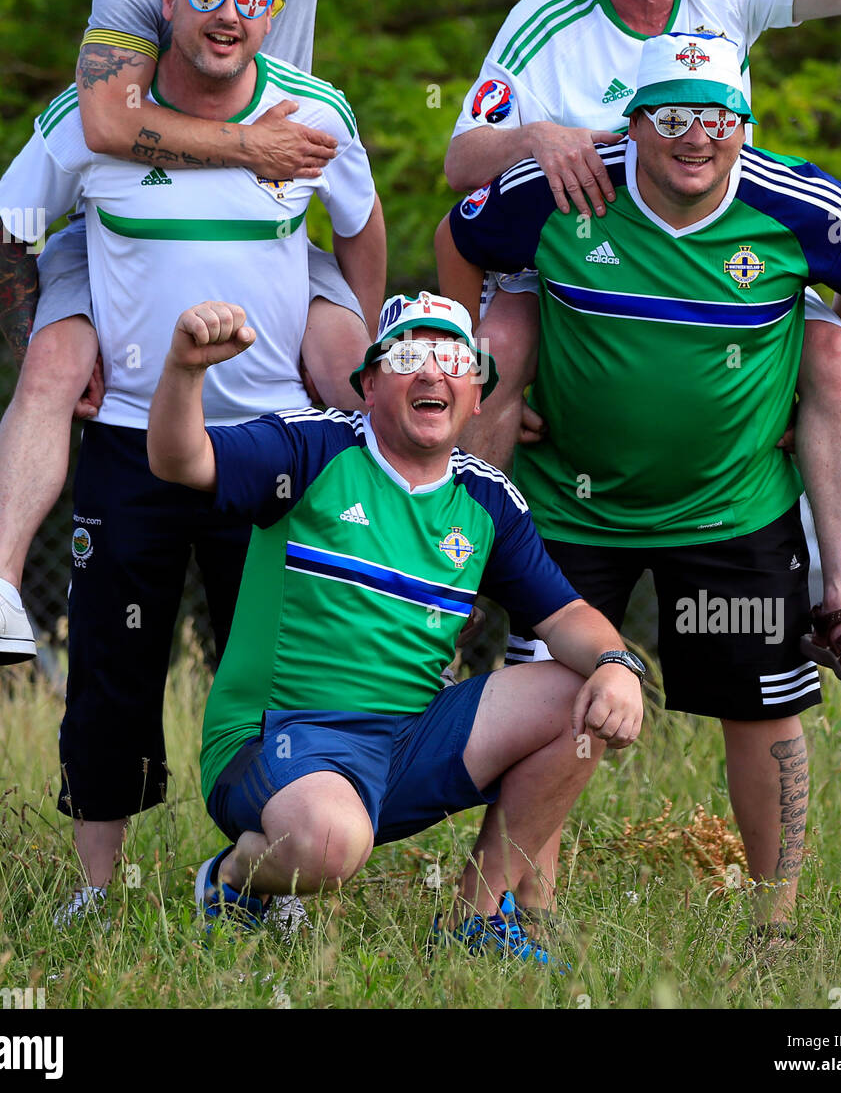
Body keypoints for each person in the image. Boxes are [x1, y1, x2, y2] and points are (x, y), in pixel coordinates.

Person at [0, 0, 487, 663]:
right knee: (56, 363)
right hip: (128, 220)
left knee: (357, 365)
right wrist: (248, 146)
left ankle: (399, 587)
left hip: (268, 229)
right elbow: (106, 126)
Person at [0, 0, 385, 917]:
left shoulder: (315, 112)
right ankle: (98, 889)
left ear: (272, 12)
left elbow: (360, 224)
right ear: (170, 3)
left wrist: (348, 347)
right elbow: (8, 227)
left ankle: (262, 879)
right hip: (131, 441)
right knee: (111, 665)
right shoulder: (93, 120)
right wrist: (43, 338)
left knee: (273, 669)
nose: (229, 15)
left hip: (268, 445)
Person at [436, 32, 841, 925]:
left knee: (762, 712)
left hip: (732, 504)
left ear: (745, 124)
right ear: (634, 123)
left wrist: (801, 385)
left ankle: (776, 923)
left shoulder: (801, 205)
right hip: (569, 496)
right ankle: (514, 916)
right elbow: (456, 239)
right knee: (552, 701)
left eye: (717, 118)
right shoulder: (563, 186)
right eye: (670, 117)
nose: (695, 137)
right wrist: (477, 373)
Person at [443, 0, 841, 680]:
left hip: (711, 246)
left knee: (837, 357)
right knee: (496, 349)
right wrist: (537, 136)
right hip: (570, 255)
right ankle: (445, 594)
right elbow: (458, 173)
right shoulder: (542, 14)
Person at [146, 290, 644, 961]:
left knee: (574, 692)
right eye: (408, 355)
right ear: (370, 384)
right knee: (327, 846)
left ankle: (477, 918)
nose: (431, 371)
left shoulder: (486, 500)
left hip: (407, 740)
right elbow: (180, 461)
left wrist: (617, 667)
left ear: (475, 392)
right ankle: (233, 879)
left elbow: (567, 618)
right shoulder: (312, 447)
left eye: (450, 358)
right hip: (281, 738)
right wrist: (183, 370)